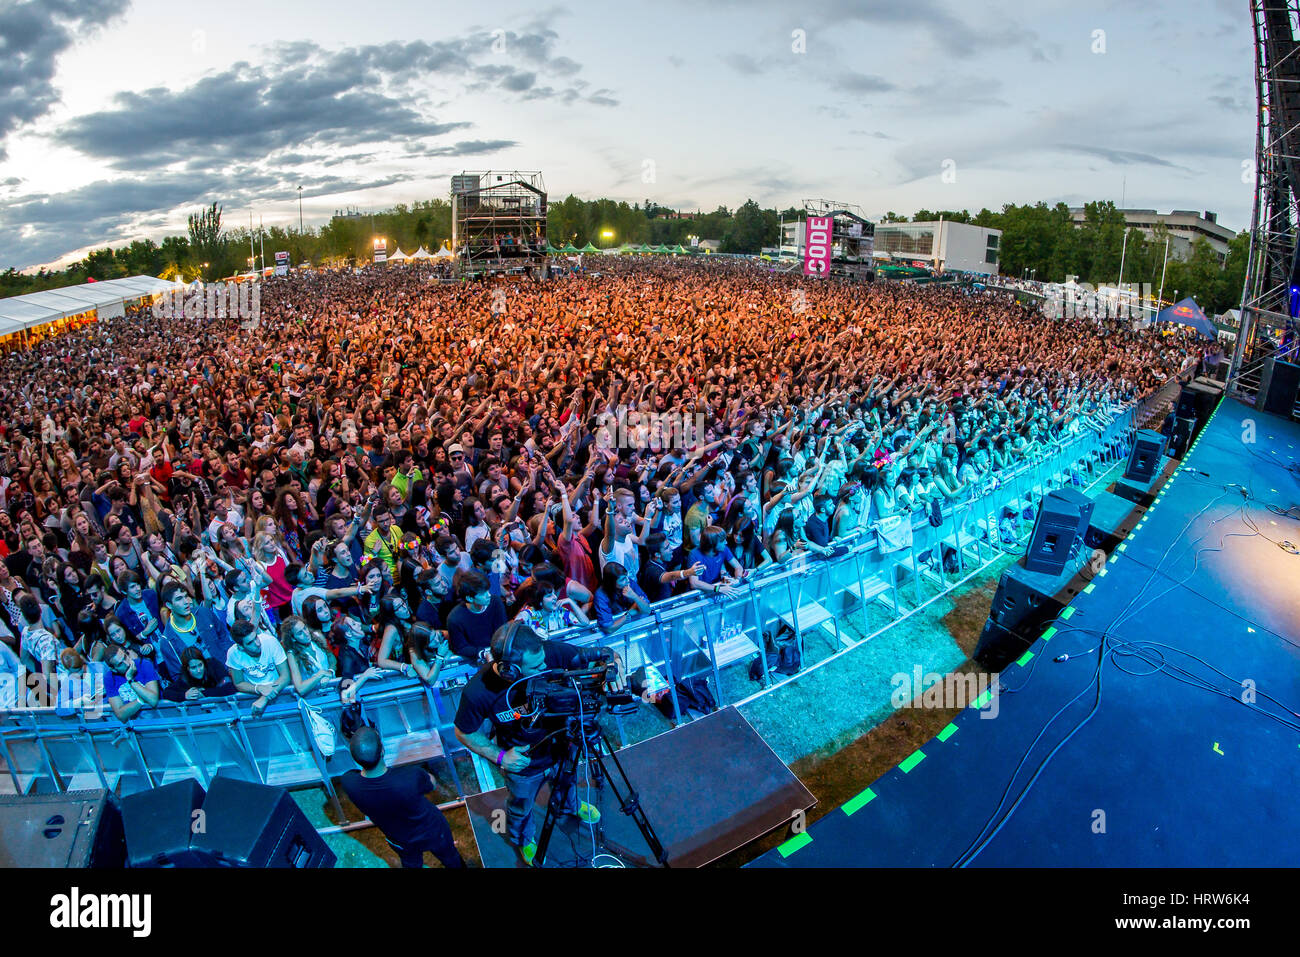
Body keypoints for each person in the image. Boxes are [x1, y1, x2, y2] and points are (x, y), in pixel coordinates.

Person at [453, 623, 614, 864]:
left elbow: (600, 659)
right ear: (511, 671)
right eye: (536, 666)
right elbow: (463, 732)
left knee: (567, 784)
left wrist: (613, 667)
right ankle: (524, 839)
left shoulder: (548, 652)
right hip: (524, 765)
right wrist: (500, 756)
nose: (544, 666)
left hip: (564, 746)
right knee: (521, 807)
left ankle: (570, 807)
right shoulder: (478, 691)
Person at [338, 726, 465, 869]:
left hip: (398, 839)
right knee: (450, 858)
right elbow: (432, 784)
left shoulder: (348, 782)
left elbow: (357, 776)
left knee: (411, 864)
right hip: (432, 830)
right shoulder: (409, 777)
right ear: (383, 751)